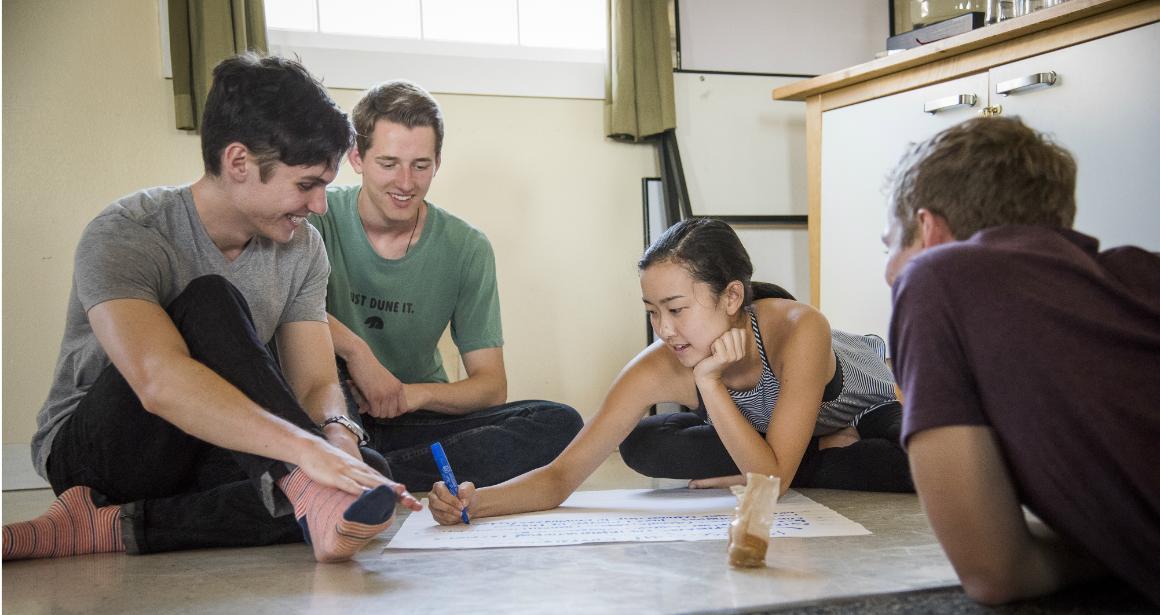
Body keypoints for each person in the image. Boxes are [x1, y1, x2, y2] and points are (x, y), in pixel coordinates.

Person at [3, 54, 421, 564]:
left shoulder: (302, 248)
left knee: (364, 473)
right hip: (103, 453)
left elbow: (314, 383)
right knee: (211, 300)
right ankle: (298, 489)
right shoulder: (128, 232)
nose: (319, 206)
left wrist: (337, 437)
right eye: (307, 184)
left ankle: (109, 528)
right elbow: (159, 382)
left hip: (217, 443)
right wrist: (305, 456)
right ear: (239, 162)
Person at [428, 217, 912, 525]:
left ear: (732, 297)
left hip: (877, 404)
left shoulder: (798, 328)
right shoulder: (660, 362)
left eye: (677, 309)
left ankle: (814, 449)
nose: (663, 329)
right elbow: (561, 476)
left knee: (908, 460)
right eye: (652, 311)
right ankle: (807, 451)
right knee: (644, 442)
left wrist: (708, 383)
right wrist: (475, 501)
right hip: (777, 440)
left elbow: (771, 488)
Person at [882, 116, 1160, 605]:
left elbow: (996, 572)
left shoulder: (935, 276)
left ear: (928, 230)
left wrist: (1102, 547)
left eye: (890, 245)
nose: (888, 273)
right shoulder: (1143, 271)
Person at [310, 80, 583, 492]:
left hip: (414, 419)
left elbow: (490, 387)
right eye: (388, 163)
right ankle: (361, 465)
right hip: (332, 409)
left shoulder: (467, 246)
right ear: (356, 158)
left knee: (561, 424)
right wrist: (358, 352)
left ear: (437, 162)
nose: (405, 182)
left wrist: (410, 394)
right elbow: (283, 310)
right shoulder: (316, 216)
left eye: (420, 165)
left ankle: (372, 475)